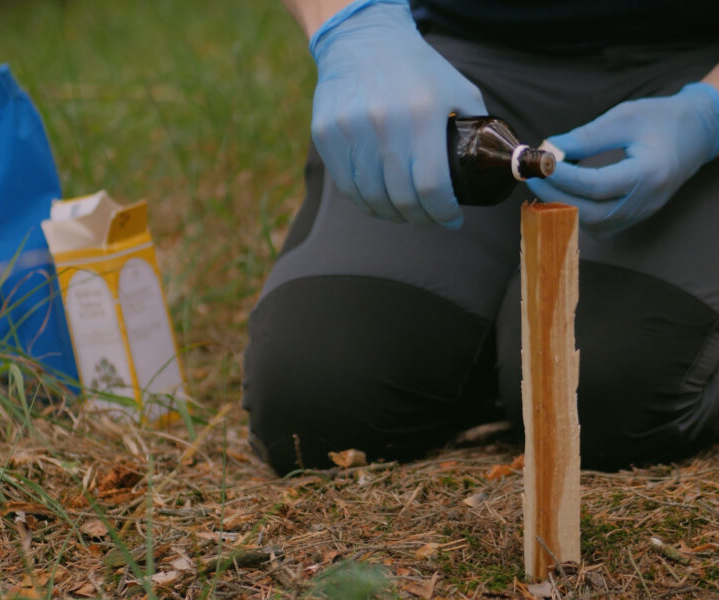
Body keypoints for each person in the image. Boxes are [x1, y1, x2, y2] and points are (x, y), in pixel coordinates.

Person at [242, 0, 719, 476]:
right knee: (317, 396)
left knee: (603, 391)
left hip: (698, 67)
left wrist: (708, 113)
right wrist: (355, 26)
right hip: (454, 70)